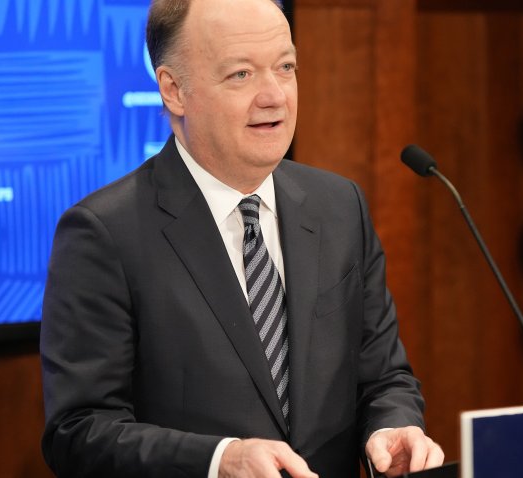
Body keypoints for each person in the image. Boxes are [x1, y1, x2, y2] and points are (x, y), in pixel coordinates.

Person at [39, 0, 444, 476]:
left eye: (286, 67)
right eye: (241, 75)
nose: (274, 96)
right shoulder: (104, 232)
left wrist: (390, 428)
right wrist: (219, 461)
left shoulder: (339, 207)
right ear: (174, 91)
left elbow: (382, 377)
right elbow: (80, 430)